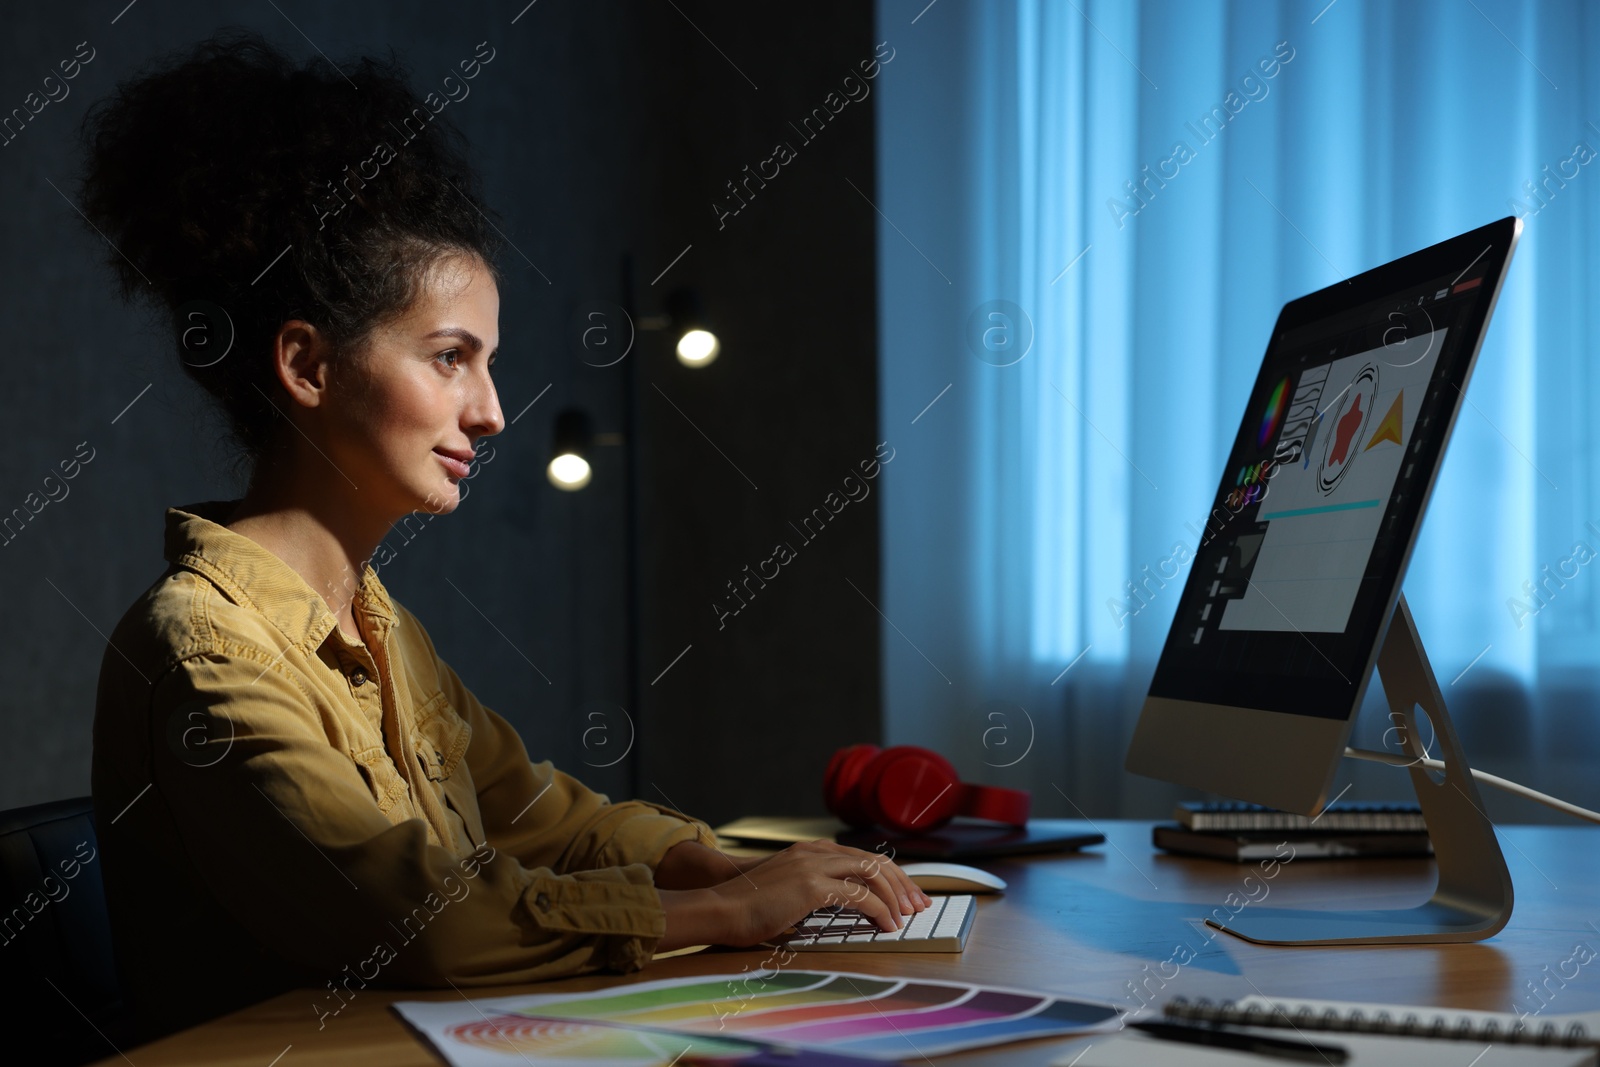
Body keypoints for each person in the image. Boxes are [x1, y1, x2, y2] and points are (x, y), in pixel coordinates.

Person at [80, 29, 930, 1043]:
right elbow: (426, 921)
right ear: (307, 365)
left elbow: (548, 819)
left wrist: (722, 860)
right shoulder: (204, 650)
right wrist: (723, 911)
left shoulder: (377, 623)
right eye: (450, 358)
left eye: (487, 363)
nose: (490, 410)